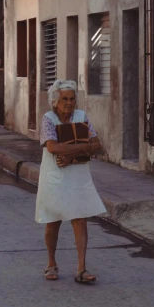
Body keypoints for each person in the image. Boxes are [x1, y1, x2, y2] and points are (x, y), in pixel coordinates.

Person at [35, 80, 106, 284]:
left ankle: (82, 269)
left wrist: (74, 151)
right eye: (64, 99)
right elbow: (52, 148)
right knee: (53, 220)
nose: (69, 103)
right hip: (54, 175)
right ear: (55, 101)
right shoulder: (48, 119)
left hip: (77, 174)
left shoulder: (81, 117)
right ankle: (51, 264)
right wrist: (83, 147)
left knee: (80, 218)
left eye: (72, 98)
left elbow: (97, 143)